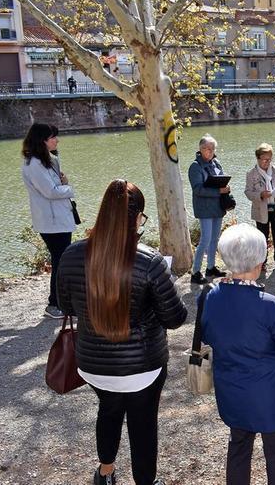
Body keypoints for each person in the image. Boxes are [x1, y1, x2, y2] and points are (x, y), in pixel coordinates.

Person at [56, 180, 187, 485]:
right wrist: (155, 299)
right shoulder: (150, 261)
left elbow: (67, 304)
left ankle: (105, 473)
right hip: (142, 368)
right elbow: (175, 318)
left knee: (110, 409)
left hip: (93, 365)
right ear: (137, 217)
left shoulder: (72, 256)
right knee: (142, 426)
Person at [201, 224, 275, 485]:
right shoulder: (270, 306)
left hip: (233, 392)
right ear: (261, 261)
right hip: (272, 396)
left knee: (238, 449)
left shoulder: (208, 297)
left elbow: (207, 335)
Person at [21, 122, 76, 319]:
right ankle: (54, 304)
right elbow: (51, 192)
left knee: (61, 260)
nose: (57, 140)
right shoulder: (34, 164)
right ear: (43, 141)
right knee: (60, 261)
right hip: (52, 222)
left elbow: (54, 186)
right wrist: (69, 188)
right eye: (53, 137)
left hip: (57, 219)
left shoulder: (45, 161)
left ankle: (60, 303)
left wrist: (63, 183)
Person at [188, 134, 231, 284]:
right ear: (200, 149)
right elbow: (198, 190)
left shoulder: (216, 163)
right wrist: (219, 191)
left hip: (217, 206)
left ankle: (211, 267)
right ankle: (195, 272)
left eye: (212, 148)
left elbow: (221, 179)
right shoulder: (195, 167)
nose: (210, 151)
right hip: (204, 208)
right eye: (206, 148)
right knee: (205, 240)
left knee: (215, 239)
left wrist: (225, 188)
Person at [244, 143, 275, 272]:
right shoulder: (251, 174)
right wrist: (260, 195)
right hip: (261, 210)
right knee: (262, 238)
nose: (267, 162)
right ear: (257, 158)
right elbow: (247, 192)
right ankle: (262, 262)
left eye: (269, 159)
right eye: (264, 159)